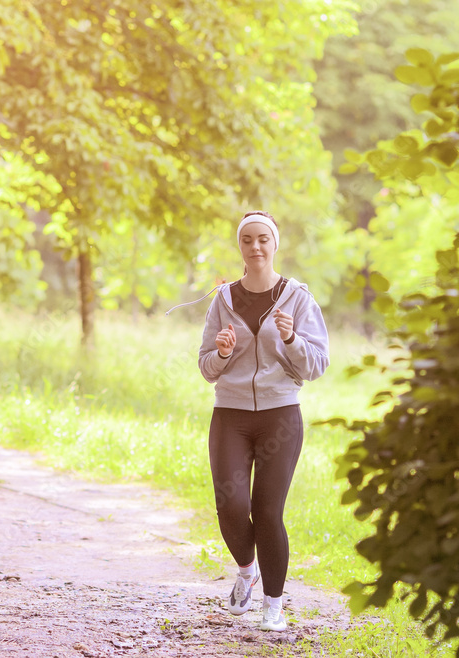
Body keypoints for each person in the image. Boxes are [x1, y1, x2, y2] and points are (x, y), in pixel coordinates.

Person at [197, 210, 330, 632]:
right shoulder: (223, 300)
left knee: (267, 511)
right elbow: (205, 367)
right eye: (247, 240)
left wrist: (291, 339)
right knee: (230, 505)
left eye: (263, 239)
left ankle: (273, 605)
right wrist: (220, 352)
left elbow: (317, 365)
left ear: (275, 244)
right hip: (230, 415)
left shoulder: (298, 298)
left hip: (280, 416)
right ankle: (246, 571)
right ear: (240, 246)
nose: (256, 247)